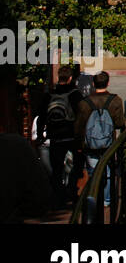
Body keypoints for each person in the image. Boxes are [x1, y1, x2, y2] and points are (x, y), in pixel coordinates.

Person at [75, 73, 126, 209]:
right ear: (108, 83)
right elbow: (120, 123)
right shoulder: (115, 100)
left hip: (89, 145)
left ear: (93, 83)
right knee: (108, 172)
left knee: (93, 171)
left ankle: (94, 198)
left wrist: (79, 145)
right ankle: (106, 200)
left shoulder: (84, 103)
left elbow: (79, 126)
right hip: (108, 144)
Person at [41, 65, 86, 207]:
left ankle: (58, 197)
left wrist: (41, 133)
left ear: (58, 77)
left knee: (57, 169)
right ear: (71, 78)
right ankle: (72, 192)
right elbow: (82, 115)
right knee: (77, 166)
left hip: (54, 137)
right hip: (71, 136)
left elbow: (42, 115)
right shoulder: (75, 94)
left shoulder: (49, 95)